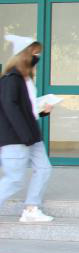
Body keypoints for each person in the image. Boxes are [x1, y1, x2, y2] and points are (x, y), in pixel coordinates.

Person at [0, 42, 54, 223]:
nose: (37, 58)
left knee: (44, 169)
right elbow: (10, 109)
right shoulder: (11, 79)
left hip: (31, 136)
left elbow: (26, 109)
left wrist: (43, 111)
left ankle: (31, 209)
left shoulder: (26, 80)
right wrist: (25, 136)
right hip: (16, 138)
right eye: (35, 54)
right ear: (24, 55)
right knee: (14, 179)